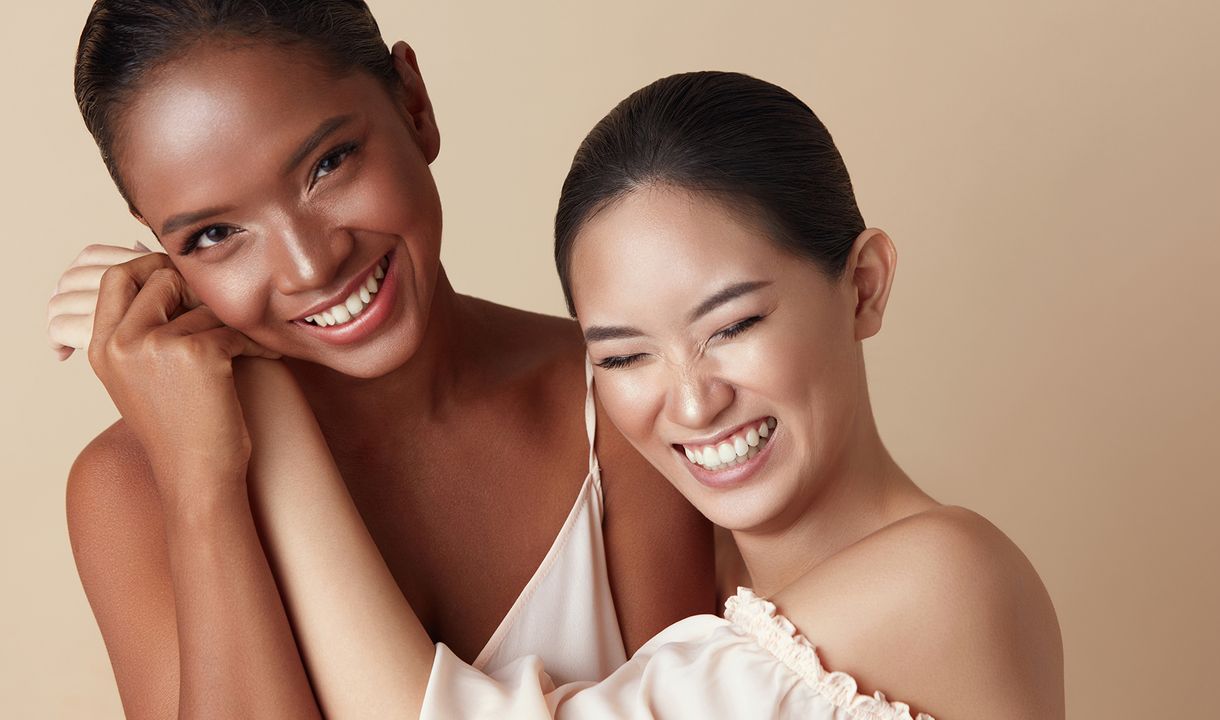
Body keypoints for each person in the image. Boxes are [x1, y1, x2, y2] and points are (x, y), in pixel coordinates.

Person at [197, 71, 1067, 719]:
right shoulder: (715, 600)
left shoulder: (945, 577)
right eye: (623, 358)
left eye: (731, 326)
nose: (690, 404)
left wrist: (256, 384)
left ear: (865, 287)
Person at [47, 2, 715, 717]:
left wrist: (262, 402)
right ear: (161, 245)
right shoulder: (130, 487)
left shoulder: (621, 402)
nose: (308, 265)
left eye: (327, 164)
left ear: (414, 104)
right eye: (214, 234)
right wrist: (204, 488)